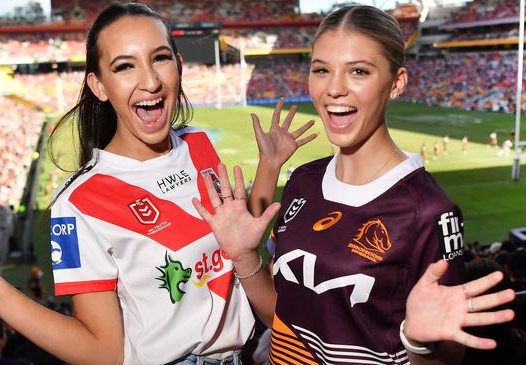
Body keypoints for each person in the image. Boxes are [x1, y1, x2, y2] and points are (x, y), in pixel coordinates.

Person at [0, 3, 315, 365]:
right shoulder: (78, 204)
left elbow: (240, 239)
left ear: (178, 66)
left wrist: (269, 166)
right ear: (99, 85)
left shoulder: (199, 145)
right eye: (124, 66)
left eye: (160, 57)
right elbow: (104, 351)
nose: (149, 80)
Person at [191, 5, 515, 365]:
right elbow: (281, 319)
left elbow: (448, 358)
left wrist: (418, 342)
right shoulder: (303, 181)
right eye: (321, 70)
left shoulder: (430, 212)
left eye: (358, 71)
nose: (334, 89)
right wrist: (245, 257)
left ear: (397, 83)